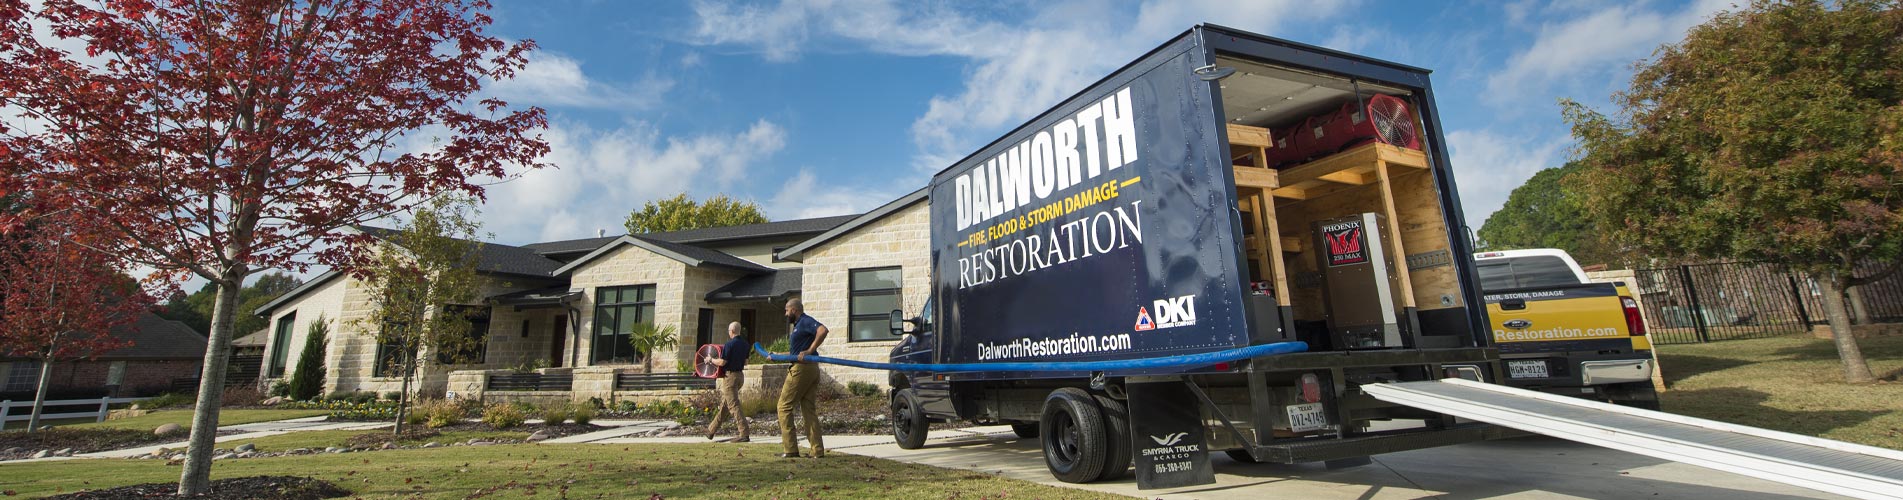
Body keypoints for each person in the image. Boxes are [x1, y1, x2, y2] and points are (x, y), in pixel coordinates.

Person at [776, 298, 828, 458]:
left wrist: (810, 350)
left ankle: (790, 449)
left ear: (794, 310)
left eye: (787, 310)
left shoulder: (805, 321)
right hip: (810, 369)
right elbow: (797, 353)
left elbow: (823, 330)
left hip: (802, 370)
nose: (785, 314)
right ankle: (817, 451)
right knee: (808, 409)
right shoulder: (799, 327)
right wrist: (778, 356)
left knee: (783, 407)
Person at [706, 321, 752, 442]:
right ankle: (711, 430)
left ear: (731, 331)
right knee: (726, 405)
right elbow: (746, 362)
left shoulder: (729, 344)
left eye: (728, 331)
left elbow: (722, 362)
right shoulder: (746, 344)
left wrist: (711, 359)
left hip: (730, 377)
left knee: (734, 405)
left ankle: (744, 433)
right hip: (740, 376)